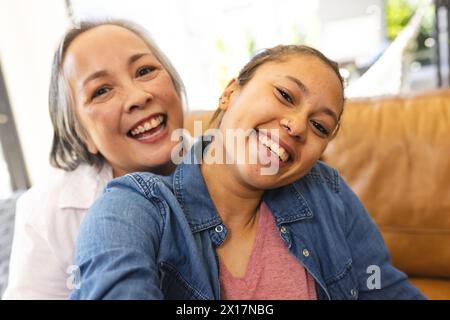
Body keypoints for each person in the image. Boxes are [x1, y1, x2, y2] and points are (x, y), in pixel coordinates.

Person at [71, 45, 426, 300]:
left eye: (319, 126)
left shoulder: (328, 192)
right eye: (285, 95)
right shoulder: (135, 205)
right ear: (230, 92)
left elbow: (385, 289)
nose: (298, 125)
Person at [3, 19, 186, 299]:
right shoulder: (46, 212)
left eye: (145, 70)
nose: (138, 97)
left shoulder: (228, 171)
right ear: (81, 133)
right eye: (102, 90)